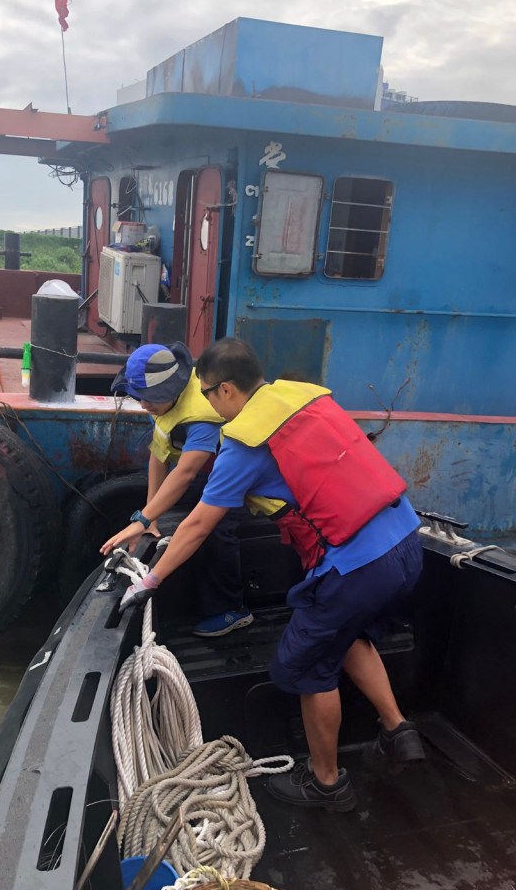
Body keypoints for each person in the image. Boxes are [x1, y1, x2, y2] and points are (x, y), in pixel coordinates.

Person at [118, 337, 425, 811]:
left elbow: (198, 525)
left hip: (359, 567)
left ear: (225, 390)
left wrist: (150, 580)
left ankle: (326, 784)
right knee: (346, 635)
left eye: (206, 393)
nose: (207, 404)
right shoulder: (301, 397)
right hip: (406, 540)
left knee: (305, 665)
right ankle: (398, 730)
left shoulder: (244, 444)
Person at [100, 341, 251, 636]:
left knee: (217, 529)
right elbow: (159, 455)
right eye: (139, 398)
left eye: (150, 399)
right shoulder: (162, 402)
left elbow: (184, 473)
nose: (144, 406)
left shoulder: (202, 416)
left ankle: (231, 608)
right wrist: (150, 517)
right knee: (165, 511)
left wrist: (142, 519)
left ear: (172, 389)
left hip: (236, 475)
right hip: (206, 472)